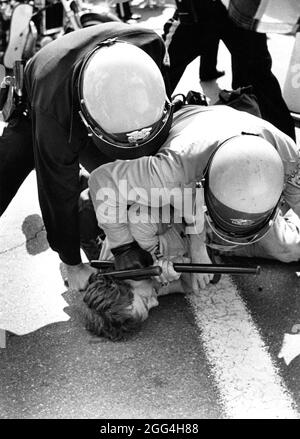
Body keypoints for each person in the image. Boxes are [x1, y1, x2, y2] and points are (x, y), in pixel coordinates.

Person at [0, 22, 173, 292]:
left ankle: (87, 189)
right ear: (87, 120)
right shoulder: (55, 116)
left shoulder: (150, 45)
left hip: (96, 86)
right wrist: (72, 263)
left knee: (127, 183)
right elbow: (56, 187)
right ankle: (82, 193)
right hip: (39, 101)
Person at [88, 103, 300, 293]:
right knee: (138, 230)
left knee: (288, 250)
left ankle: (218, 244)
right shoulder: (171, 169)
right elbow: (103, 182)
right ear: (203, 186)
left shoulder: (288, 156)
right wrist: (123, 247)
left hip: (216, 161)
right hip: (187, 148)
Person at [162, 0, 296, 141]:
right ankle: (288, 145)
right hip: (216, 9)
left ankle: (288, 146)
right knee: (161, 70)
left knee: (259, 78)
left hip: (230, 9)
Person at [83, 204, 192, 341]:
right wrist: (180, 265)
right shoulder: (143, 288)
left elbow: (183, 207)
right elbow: (190, 285)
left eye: (146, 301)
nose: (156, 303)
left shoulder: (137, 227)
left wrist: (197, 249)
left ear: (125, 281)